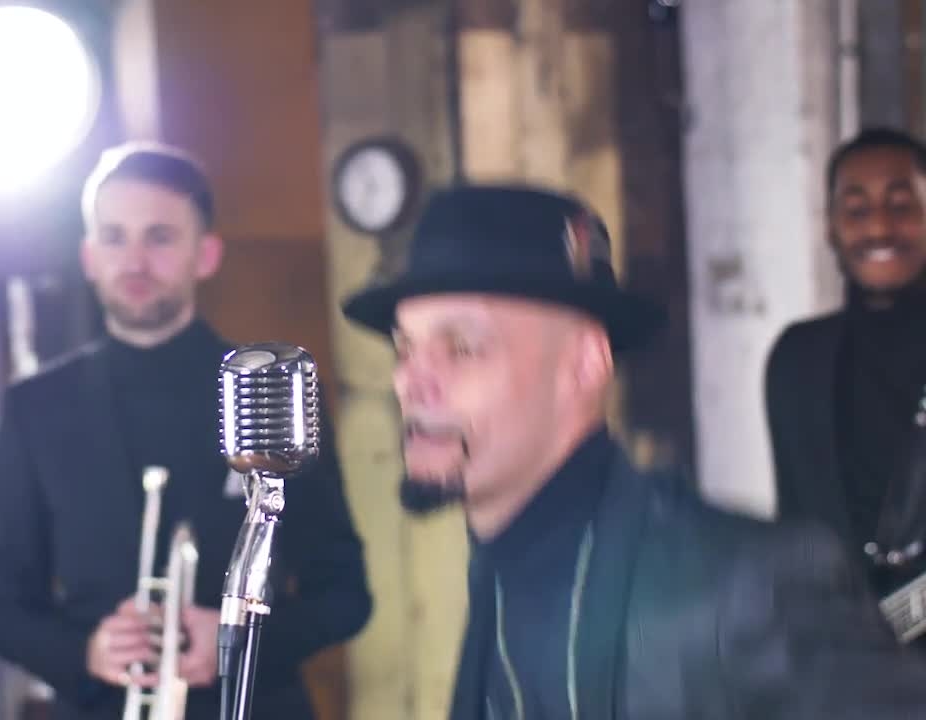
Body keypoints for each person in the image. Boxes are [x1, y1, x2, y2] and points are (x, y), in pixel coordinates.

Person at [340, 183, 926, 719]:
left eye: (462, 348)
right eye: (405, 347)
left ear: (584, 363)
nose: (409, 381)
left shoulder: (749, 585)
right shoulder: (498, 567)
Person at [0, 141, 372, 720]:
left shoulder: (268, 391)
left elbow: (344, 594)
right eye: (114, 237)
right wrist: (86, 652)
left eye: (159, 237)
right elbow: (1, 608)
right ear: (89, 256)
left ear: (205, 255)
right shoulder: (36, 408)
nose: (134, 261)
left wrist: (239, 642)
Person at [766, 127, 926, 648]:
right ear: (832, 229)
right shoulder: (797, 359)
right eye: (856, 210)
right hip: (844, 667)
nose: (879, 226)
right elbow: (795, 531)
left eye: (901, 205)